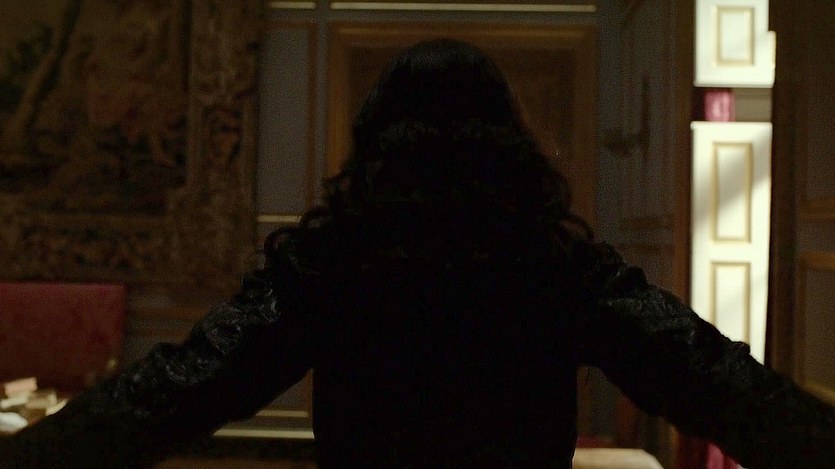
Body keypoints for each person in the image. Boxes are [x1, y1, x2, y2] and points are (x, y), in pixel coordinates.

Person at [2, 39, 834, 468]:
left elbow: (171, 392)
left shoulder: (333, 267)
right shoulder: (555, 268)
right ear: (506, 144)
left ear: (377, 144)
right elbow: (719, 383)